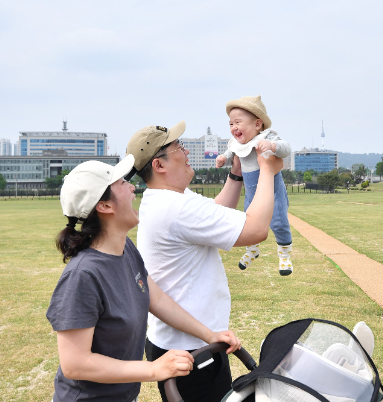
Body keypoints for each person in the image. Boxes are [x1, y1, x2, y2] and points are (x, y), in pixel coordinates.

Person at [46, 155, 241, 402]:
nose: (133, 187)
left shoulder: (125, 248)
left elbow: (155, 298)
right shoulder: (83, 276)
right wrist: (153, 369)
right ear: (105, 206)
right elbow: (76, 364)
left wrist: (209, 334)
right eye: (121, 184)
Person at [125, 121, 282, 402]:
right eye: (178, 148)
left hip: (181, 343)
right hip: (193, 352)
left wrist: (236, 176)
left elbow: (215, 212)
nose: (185, 152)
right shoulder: (176, 207)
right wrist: (268, 171)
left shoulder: (165, 197)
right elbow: (256, 229)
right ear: (159, 165)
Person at [215, 95, 293, 275]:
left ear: (257, 125)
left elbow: (286, 148)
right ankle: (252, 251)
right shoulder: (237, 143)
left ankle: (285, 256)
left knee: (279, 221)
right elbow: (231, 153)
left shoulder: (267, 136)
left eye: (238, 122)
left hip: (272, 191)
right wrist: (223, 158)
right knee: (247, 222)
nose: (233, 128)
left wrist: (272, 146)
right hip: (251, 191)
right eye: (230, 124)